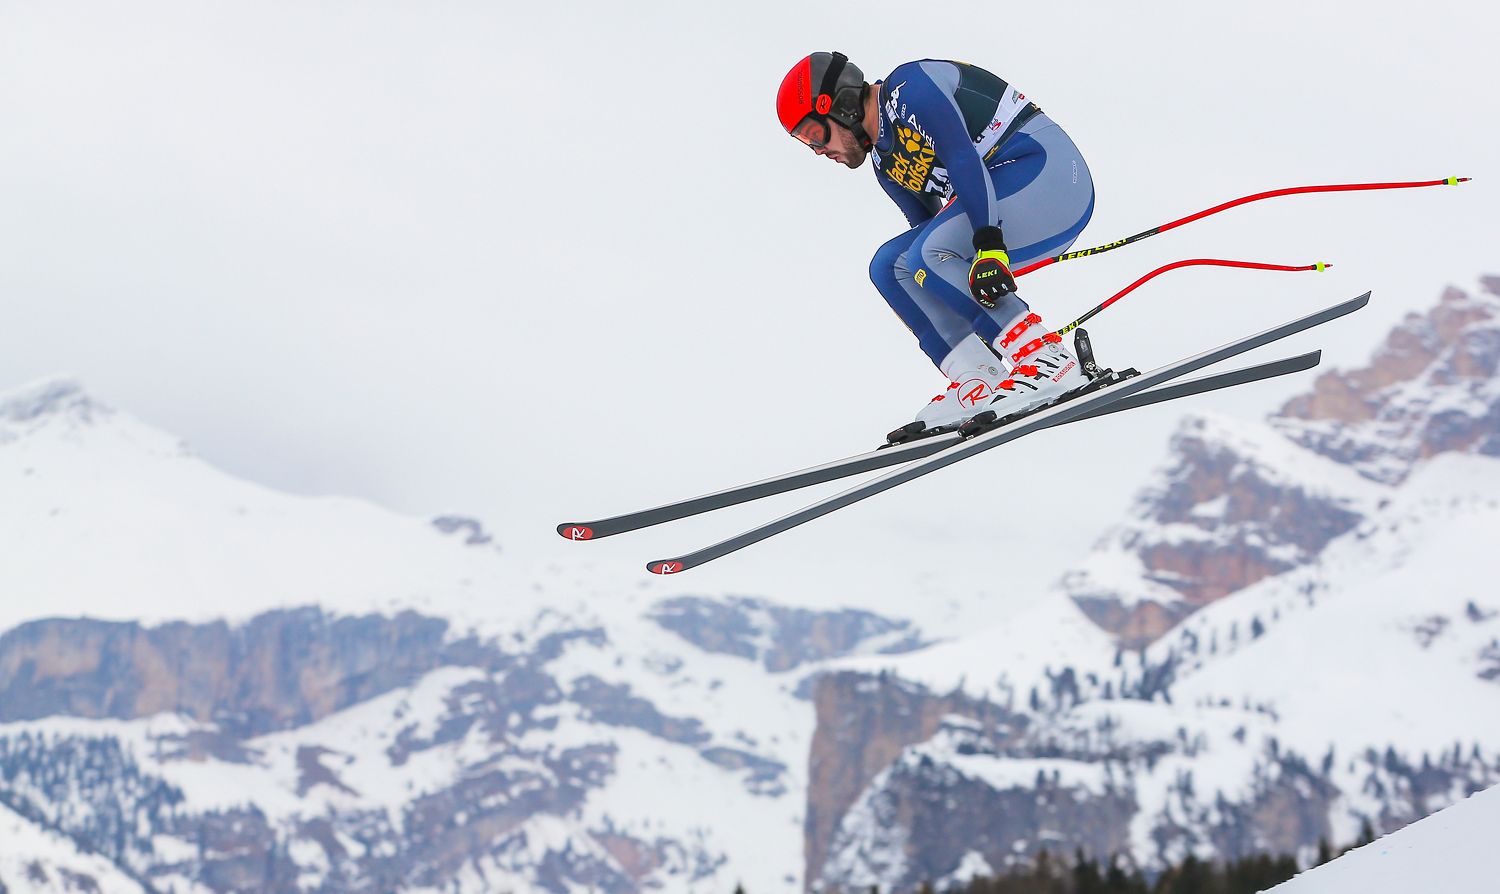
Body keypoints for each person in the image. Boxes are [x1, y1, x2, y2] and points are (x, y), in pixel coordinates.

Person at [776, 52, 1096, 431]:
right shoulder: (885, 163)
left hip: (1047, 176)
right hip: (1003, 202)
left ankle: (1047, 359)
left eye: (814, 133)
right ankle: (978, 376)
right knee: (891, 266)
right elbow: (925, 251)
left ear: (842, 104)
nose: (817, 150)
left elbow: (962, 159)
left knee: (928, 252)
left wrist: (990, 246)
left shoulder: (908, 88)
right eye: (804, 142)